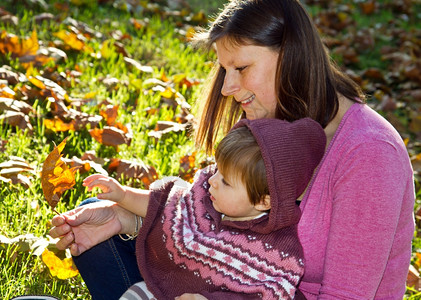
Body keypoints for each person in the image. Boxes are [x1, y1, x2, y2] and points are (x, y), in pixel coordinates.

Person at [49, 0, 416, 299]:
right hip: (225, 279)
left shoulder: (370, 154)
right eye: (224, 69)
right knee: (99, 226)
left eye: (241, 67)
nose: (226, 87)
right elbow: (219, 223)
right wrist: (130, 221)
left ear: (290, 55)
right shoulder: (273, 117)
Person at [79, 118, 325, 299]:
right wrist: (123, 195)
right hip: (166, 290)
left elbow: (266, 296)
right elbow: (163, 204)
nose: (213, 180)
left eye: (226, 181)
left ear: (263, 201)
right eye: (216, 169)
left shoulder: (279, 252)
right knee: (137, 294)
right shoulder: (206, 197)